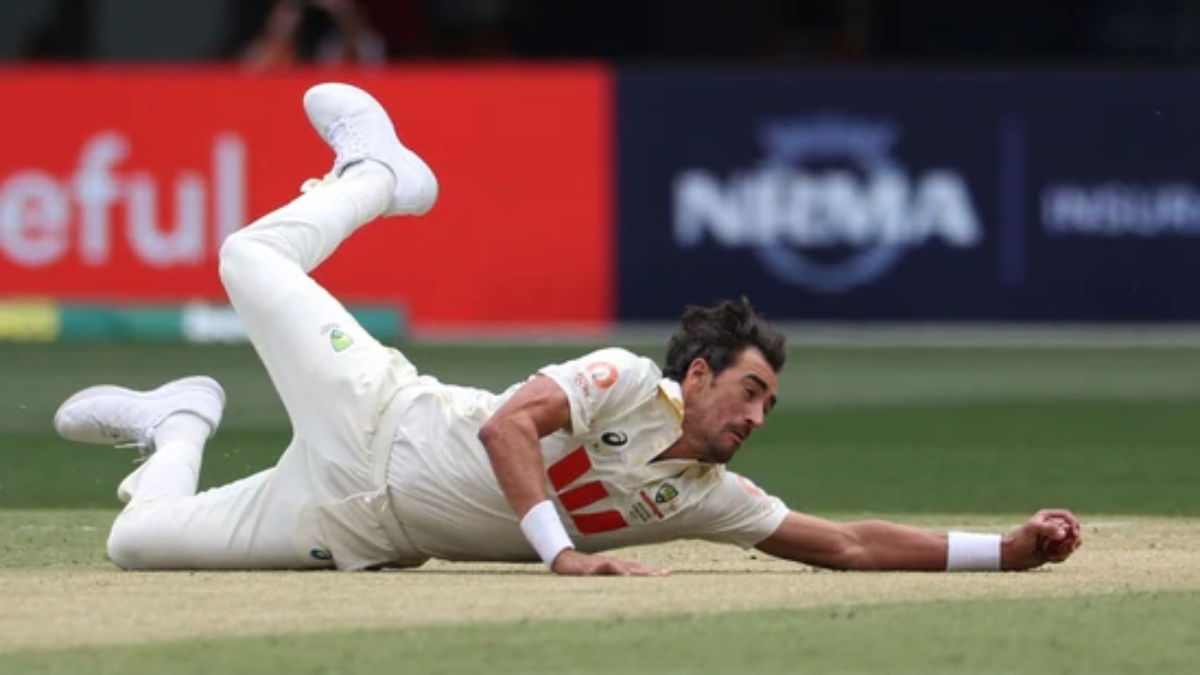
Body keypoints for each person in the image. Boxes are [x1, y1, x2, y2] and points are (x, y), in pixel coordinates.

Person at [53, 82, 1083, 576]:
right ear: (703, 372)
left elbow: (849, 543)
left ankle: (181, 423)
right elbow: (509, 427)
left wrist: (1008, 551)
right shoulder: (626, 379)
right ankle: (379, 174)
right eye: (753, 391)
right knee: (249, 257)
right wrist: (560, 555)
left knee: (132, 543)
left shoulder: (707, 496)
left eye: (771, 403)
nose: (759, 416)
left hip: (360, 527)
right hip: (373, 415)